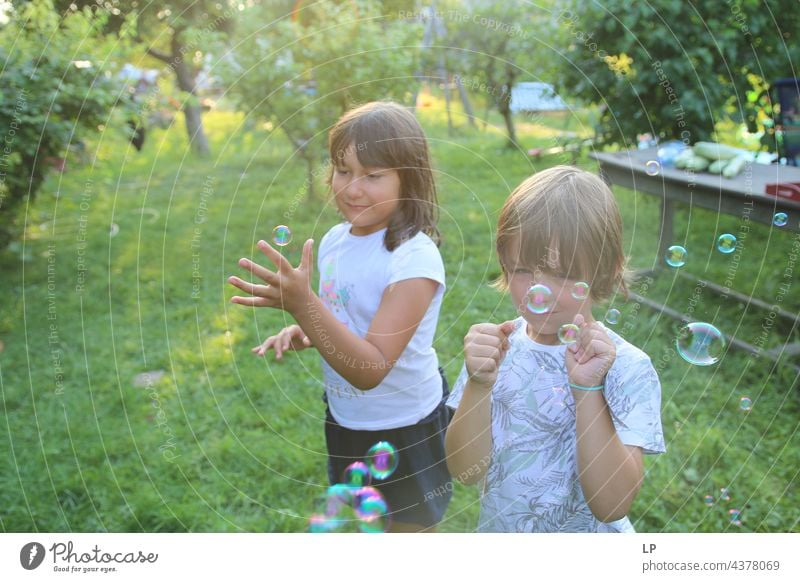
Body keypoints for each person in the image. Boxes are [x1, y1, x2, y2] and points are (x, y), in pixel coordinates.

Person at [228, 101, 451, 532]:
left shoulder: (413, 260)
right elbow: (342, 317)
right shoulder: (333, 240)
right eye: (343, 170)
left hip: (405, 425)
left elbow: (370, 368)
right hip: (348, 419)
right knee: (371, 519)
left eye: (373, 175)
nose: (352, 188)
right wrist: (306, 327)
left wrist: (303, 305)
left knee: (410, 535)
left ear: (410, 179)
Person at [445, 166, 665, 532]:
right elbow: (465, 471)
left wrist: (589, 390)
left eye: (562, 274)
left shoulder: (625, 367)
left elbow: (611, 506)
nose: (536, 291)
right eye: (521, 269)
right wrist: (479, 385)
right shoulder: (497, 351)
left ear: (605, 271)